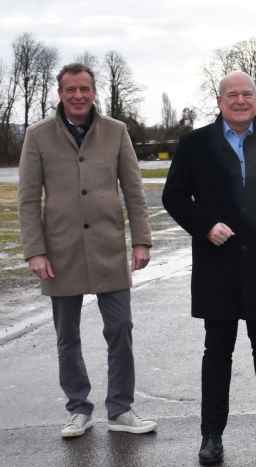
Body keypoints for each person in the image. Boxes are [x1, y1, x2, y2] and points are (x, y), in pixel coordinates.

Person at [162, 71, 256, 465]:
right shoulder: (195, 144)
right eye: (233, 94)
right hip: (217, 264)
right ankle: (211, 435)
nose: (241, 100)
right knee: (218, 351)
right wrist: (204, 226)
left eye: (248, 94)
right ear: (220, 100)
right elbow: (174, 196)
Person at [18, 62, 157, 439]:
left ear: (94, 92)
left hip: (108, 248)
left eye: (84, 89)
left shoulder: (116, 132)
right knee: (67, 337)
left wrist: (141, 240)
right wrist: (35, 250)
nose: (78, 96)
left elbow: (133, 190)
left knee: (121, 329)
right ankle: (78, 409)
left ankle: (121, 409)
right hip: (59, 253)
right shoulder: (38, 135)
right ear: (59, 94)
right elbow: (28, 198)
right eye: (70, 90)